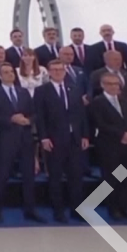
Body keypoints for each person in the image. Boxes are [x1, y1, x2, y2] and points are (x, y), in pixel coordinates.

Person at [0, 64, 43, 223]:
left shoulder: (23, 92)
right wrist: (10, 119)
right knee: (2, 175)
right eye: (5, 72)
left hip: (25, 139)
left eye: (11, 72)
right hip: (5, 140)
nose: (10, 74)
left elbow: (34, 113)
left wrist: (28, 120)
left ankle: (30, 210)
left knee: (29, 176)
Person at [34, 60, 89, 223]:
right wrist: (44, 137)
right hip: (54, 139)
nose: (58, 72)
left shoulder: (74, 88)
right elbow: (40, 116)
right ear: (49, 72)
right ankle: (58, 211)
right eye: (54, 69)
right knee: (55, 177)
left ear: (65, 71)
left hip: (74, 139)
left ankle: (77, 210)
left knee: (76, 176)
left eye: (61, 69)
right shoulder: (42, 90)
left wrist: (85, 135)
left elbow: (81, 114)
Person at [90, 74, 127, 222]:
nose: (114, 87)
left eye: (116, 84)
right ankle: (113, 209)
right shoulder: (97, 102)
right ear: (103, 85)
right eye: (110, 84)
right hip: (109, 145)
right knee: (111, 178)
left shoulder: (125, 101)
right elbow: (100, 123)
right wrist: (121, 134)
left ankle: (125, 208)